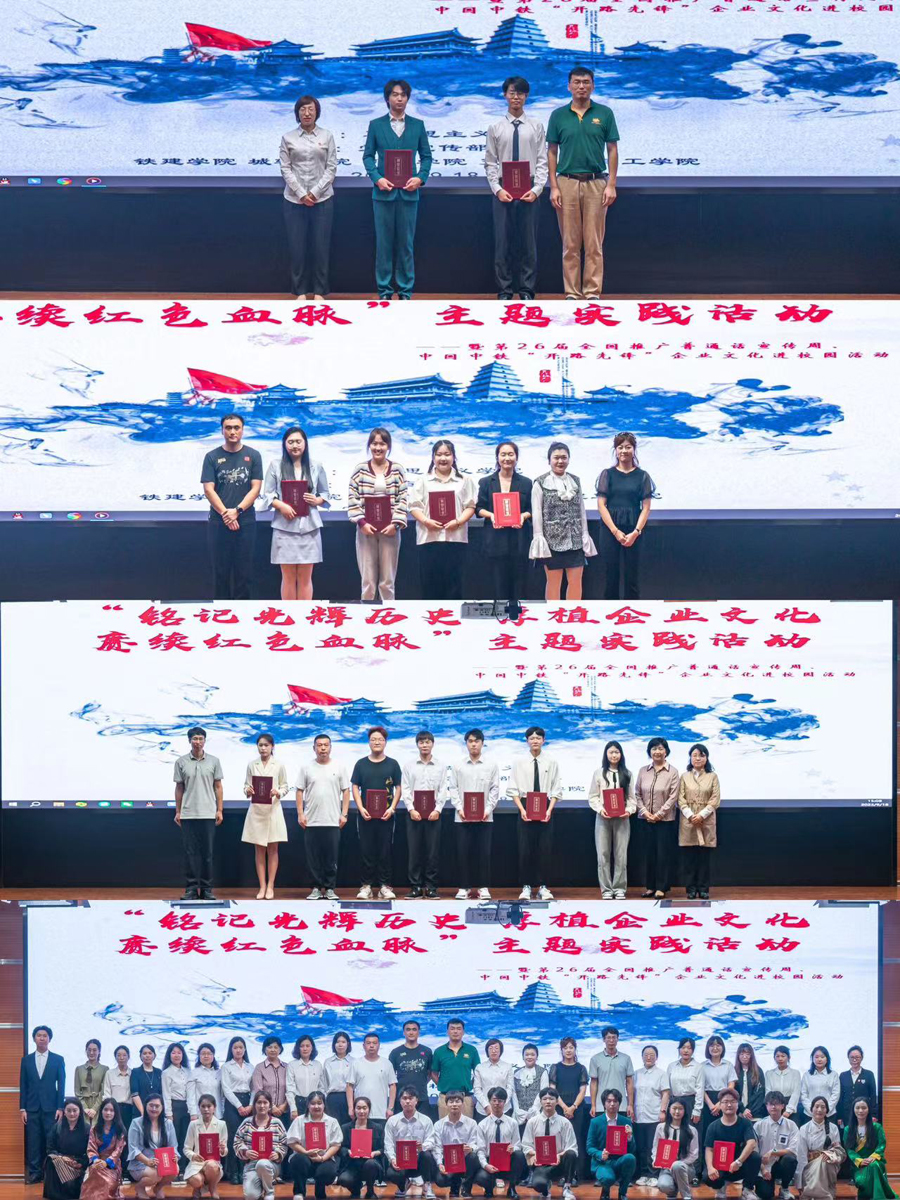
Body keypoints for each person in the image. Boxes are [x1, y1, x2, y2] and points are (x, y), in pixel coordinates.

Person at [547, 65, 619, 300]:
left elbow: (612, 149)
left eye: (586, 82)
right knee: (570, 243)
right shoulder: (558, 115)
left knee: (594, 242)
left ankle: (592, 291)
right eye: (577, 82)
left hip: (596, 183)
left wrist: (611, 184)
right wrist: (554, 186)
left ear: (593, 86)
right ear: (569, 86)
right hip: (566, 183)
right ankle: (572, 292)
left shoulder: (604, 113)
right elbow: (552, 151)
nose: (581, 86)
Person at [363, 79, 433, 299]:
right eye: (395, 94)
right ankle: (384, 290)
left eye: (403, 95)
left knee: (406, 245)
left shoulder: (418, 125)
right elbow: (367, 157)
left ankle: (405, 291)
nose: (399, 98)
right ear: (387, 98)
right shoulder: (376, 125)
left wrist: (420, 178)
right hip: (382, 194)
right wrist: (377, 179)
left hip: (409, 194)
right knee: (383, 245)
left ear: (408, 98)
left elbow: (427, 157)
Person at [484, 76, 548, 300]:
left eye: (520, 93)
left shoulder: (536, 126)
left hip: (529, 187)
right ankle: (505, 289)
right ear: (505, 95)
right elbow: (490, 162)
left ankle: (526, 289)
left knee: (528, 243)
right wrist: (497, 189)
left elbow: (542, 160)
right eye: (512, 92)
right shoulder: (495, 127)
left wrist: (537, 188)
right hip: (504, 189)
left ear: (526, 96)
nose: (516, 97)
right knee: (503, 242)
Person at [263, 425, 330, 601]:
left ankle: (304, 614)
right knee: (288, 577)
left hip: (310, 528)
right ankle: (290, 614)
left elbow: (325, 494)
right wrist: (281, 505)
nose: (295, 445)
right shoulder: (275, 465)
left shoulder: (316, 466)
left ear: (305, 443)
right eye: (291, 442)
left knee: (305, 577)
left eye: (298, 441)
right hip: (284, 528)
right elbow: (268, 494)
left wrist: (317, 500)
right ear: (284, 444)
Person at [200, 413, 263, 600]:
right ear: (222, 431)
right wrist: (226, 514)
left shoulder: (253, 455)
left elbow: (256, 488)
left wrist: (237, 511)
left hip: (246, 521)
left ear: (242, 430)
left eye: (236, 428)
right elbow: (208, 489)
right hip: (219, 522)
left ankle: (242, 613)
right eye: (228, 428)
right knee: (220, 573)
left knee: (244, 573)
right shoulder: (211, 457)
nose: (232, 432)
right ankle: (222, 612)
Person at [279, 95, 337, 300]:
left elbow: (331, 168)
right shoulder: (288, 138)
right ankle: (300, 291)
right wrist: (302, 194)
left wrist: (315, 192)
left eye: (311, 109)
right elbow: (285, 169)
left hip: (323, 200)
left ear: (316, 112)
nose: (307, 113)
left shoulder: (327, 136)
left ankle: (320, 291)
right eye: (302, 109)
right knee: (297, 248)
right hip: (294, 201)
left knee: (321, 247)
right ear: (297, 113)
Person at [409, 439, 478, 600]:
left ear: (453, 457)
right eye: (439, 454)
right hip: (429, 538)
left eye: (447, 454)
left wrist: (458, 522)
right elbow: (414, 506)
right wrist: (426, 521)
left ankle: (453, 615)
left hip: (456, 538)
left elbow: (470, 506)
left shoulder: (464, 480)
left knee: (454, 585)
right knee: (430, 585)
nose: (443, 458)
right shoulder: (422, 480)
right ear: (433, 457)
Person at [348, 427, 409, 605]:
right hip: (366, 531)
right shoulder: (360, 469)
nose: (378, 447)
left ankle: (388, 613)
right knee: (368, 580)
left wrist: (395, 524)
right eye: (374, 444)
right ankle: (366, 614)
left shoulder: (397, 469)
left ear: (388, 446)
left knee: (387, 581)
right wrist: (362, 523)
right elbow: (352, 497)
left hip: (390, 530)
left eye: (382, 444)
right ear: (369, 445)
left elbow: (403, 497)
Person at [529, 441, 597, 600]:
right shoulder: (540, 483)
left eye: (564, 457)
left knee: (576, 581)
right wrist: (539, 538)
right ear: (549, 460)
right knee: (554, 582)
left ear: (569, 459)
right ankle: (554, 612)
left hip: (575, 540)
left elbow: (581, 510)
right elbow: (537, 513)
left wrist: (584, 534)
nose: (560, 461)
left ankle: (572, 612)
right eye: (556, 457)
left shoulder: (575, 481)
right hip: (552, 541)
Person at [475, 441, 533, 618]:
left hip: (519, 538)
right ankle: (501, 618)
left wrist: (523, 516)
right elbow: (479, 509)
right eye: (503, 454)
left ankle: (518, 618)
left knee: (519, 581)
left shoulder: (526, 483)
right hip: (495, 539)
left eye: (510, 454)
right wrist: (492, 515)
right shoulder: (486, 482)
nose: (507, 458)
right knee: (499, 582)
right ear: (497, 457)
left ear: (516, 457)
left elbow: (532, 509)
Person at [595, 433, 654, 600]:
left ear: (634, 450)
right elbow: (601, 505)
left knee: (632, 576)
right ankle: (611, 611)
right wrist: (615, 531)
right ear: (615, 450)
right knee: (611, 575)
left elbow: (646, 507)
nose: (624, 451)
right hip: (610, 529)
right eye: (620, 447)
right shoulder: (607, 474)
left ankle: (632, 611)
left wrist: (636, 532)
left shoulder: (643, 476)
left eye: (628, 447)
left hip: (634, 529)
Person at [508, 726, 561, 902]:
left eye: (538, 738)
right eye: (531, 738)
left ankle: (543, 886)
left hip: (545, 806)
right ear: (527, 741)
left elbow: (556, 788)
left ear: (543, 740)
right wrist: (522, 809)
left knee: (545, 848)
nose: (535, 741)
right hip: (525, 806)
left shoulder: (551, 762)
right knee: (525, 849)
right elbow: (513, 789)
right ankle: (526, 886)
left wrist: (549, 810)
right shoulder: (519, 762)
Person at [296, 733, 350, 901]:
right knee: (313, 858)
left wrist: (344, 814)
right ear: (314, 748)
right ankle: (315, 888)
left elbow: (346, 791)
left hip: (333, 820)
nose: (323, 748)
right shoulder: (306, 768)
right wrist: (300, 813)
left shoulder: (339, 767)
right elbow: (299, 790)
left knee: (331, 858)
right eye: (319, 745)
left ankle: (330, 888)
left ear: (330, 747)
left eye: (326, 745)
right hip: (311, 820)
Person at [173, 726, 223, 902]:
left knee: (207, 854)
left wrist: (219, 810)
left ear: (205, 741)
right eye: (195, 738)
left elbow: (218, 787)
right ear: (189, 741)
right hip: (188, 814)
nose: (198, 742)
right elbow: (179, 788)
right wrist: (178, 811)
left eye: (201, 738)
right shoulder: (181, 762)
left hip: (208, 813)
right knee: (190, 854)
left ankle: (207, 889)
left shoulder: (214, 761)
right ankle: (191, 889)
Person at [351, 726, 402, 901]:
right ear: (369, 742)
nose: (377, 742)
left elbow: (398, 788)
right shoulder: (361, 764)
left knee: (385, 851)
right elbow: (355, 787)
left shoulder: (393, 764)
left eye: (380, 739)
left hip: (386, 816)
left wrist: (392, 808)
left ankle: (384, 886)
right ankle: (366, 886)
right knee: (366, 851)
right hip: (365, 815)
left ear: (385, 742)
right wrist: (360, 807)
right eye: (373, 739)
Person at [449, 729, 500, 901]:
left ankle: (483, 887)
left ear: (482, 743)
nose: (473, 744)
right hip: (462, 817)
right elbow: (453, 788)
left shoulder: (491, 765)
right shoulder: (458, 765)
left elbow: (495, 789)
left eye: (477, 741)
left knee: (483, 853)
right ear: (466, 744)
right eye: (470, 741)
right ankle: (464, 887)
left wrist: (487, 809)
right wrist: (460, 808)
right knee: (463, 853)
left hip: (485, 817)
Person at [400, 731, 449, 900]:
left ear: (433, 744)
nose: (425, 745)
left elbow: (443, 789)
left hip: (434, 815)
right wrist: (411, 809)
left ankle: (431, 887)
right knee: (414, 852)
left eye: (428, 742)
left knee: (432, 852)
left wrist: (438, 809)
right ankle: (415, 887)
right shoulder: (409, 766)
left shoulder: (441, 766)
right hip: (414, 814)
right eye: (421, 742)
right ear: (417, 745)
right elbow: (405, 789)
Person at [242, 733, 290, 900]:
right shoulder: (252, 764)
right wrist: (248, 790)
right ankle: (262, 886)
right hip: (256, 810)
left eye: (266, 745)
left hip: (273, 810)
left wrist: (278, 792)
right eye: (260, 745)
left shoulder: (279, 765)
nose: (263, 748)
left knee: (273, 849)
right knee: (259, 850)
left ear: (272, 747)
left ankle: (270, 886)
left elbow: (285, 786)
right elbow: (246, 785)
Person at [589, 740, 636, 901]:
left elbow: (632, 798)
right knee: (603, 854)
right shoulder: (598, 773)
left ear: (621, 754)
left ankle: (619, 888)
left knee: (621, 854)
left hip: (622, 819)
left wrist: (628, 810)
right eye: (611, 752)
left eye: (617, 752)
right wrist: (600, 809)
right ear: (606, 754)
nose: (614, 755)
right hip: (603, 818)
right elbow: (593, 796)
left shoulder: (627, 774)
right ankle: (606, 889)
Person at [20, 1023, 66, 1184]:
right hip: (31, 1107)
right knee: (33, 1141)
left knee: (50, 1140)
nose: (42, 1038)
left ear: (49, 1039)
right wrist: (22, 1108)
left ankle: (50, 1174)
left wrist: (60, 1107)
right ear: (34, 1038)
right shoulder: (26, 1060)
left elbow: (61, 1085)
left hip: (51, 1107)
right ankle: (35, 1173)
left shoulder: (58, 1059)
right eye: (39, 1035)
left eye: (45, 1036)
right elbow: (23, 1085)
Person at [635, 737, 680, 899]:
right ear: (649, 752)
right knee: (649, 854)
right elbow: (637, 794)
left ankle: (662, 887)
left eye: (660, 748)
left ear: (666, 751)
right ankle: (650, 887)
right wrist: (645, 812)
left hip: (665, 821)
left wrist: (659, 814)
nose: (657, 752)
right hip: (645, 820)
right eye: (654, 749)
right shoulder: (643, 771)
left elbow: (673, 797)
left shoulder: (673, 772)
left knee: (663, 854)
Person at [701, 1087, 760, 1199]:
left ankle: (747, 1189)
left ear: (737, 1104)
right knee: (706, 1176)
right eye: (725, 1102)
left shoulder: (745, 1123)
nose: (729, 1105)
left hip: (738, 1166)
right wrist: (710, 1167)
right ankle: (720, 1187)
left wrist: (738, 1162)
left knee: (755, 1157)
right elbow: (709, 1149)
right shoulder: (713, 1126)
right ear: (720, 1105)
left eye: (733, 1101)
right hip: (720, 1166)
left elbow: (752, 1143)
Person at [678, 744, 720, 900]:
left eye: (701, 755)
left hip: (705, 820)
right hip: (688, 820)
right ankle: (690, 889)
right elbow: (680, 798)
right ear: (690, 757)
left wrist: (702, 815)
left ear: (706, 758)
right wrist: (690, 815)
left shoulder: (712, 776)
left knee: (704, 857)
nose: (698, 758)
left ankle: (703, 888)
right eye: (694, 755)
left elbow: (715, 799)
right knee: (689, 857)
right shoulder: (684, 776)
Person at [286, 1090, 343, 1200]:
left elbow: (336, 1144)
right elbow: (291, 1142)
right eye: (313, 1103)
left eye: (319, 1103)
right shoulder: (299, 1120)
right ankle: (299, 1192)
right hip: (304, 1156)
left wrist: (322, 1158)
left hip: (324, 1157)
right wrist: (306, 1152)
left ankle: (320, 1192)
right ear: (307, 1105)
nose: (316, 1106)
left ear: (324, 1104)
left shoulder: (332, 1121)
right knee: (298, 1160)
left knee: (328, 1171)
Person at [522, 1087, 578, 1200]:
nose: (548, 1101)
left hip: (559, 1162)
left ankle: (567, 1187)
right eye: (545, 1099)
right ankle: (545, 1188)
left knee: (571, 1154)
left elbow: (572, 1147)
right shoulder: (532, 1122)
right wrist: (535, 1154)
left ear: (557, 1102)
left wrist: (559, 1155)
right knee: (538, 1184)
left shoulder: (565, 1123)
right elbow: (526, 1145)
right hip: (541, 1164)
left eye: (551, 1099)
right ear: (540, 1101)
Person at [233, 1089, 287, 1200]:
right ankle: (260, 1185)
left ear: (270, 1105)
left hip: (271, 1164)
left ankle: (269, 1192)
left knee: (263, 1164)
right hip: (251, 1165)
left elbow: (284, 1142)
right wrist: (245, 1152)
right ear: (254, 1105)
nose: (262, 1106)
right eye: (259, 1102)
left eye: (265, 1102)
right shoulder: (247, 1122)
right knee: (251, 1196)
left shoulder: (277, 1123)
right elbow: (237, 1141)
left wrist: (278, 1153)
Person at [383, 1086, 438, 1193]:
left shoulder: (426, 1120)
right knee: (390, 1173)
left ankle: (427, 1184)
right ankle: (403, 1184)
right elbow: (388, 1144)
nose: (407, 1101)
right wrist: (393, 1159)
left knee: (426, 1155)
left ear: (416, 1100)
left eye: (410, 1098)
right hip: (401, 1161)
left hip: (419, 1161)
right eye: (404, 1098)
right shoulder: (392, 1121)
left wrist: (422, 1146)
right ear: (400, 1101)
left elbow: (432, 1141)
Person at [475, 1086, 527, 1198]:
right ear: (489, 1101)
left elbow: (518, 1145)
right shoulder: (482, 1125)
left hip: (507, 1160)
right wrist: (485, 1165)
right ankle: (488, 1188)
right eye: (494, 1100)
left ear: (505, 1102)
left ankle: (512, 1188)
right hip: (489, 1161)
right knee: (481, 1177)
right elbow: (480, 1150)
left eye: (500, 1101)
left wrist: (513, 1148)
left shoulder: (512, 1123)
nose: (497, 1103)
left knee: (519, 1155)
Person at [548, 1039, 589, 1179]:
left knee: (576, 1140)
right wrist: (565, 1107)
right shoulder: (555, 1067)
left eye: (571, 1047)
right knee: (560, 1141)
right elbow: (553, 1090)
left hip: (577, 1109)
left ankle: (575, 1174)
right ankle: (561, 1174)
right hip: (559, 1108)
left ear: (575, 1049)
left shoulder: (581, 1068)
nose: (568, 1050)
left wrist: (573, 1107)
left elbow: (583, 1091)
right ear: (561, 1050)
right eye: (565, 1048)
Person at [587, 1087, 636, 1200]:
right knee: (608, 1178)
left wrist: (629, 1137)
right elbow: (589, 1147)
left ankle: (622, 1193)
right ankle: (605, 1191)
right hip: (602, 1162)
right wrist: (600, 1154)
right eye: (609, 1101)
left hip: (619, 1160)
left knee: (630, 1158)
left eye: (615, 1101)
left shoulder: (626, 1122)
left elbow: (633, 1149)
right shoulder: (595, 1122)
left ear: (619, 1104)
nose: (612, 1104)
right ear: (604, 1104)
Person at [126, 1093, 178, 1200]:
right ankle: (140, 1187)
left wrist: (175, 1157)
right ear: (145, 1106)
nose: (154, 1109)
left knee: (175, 1169)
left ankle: (158, 1188)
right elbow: (133, 1149)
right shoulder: (136, 1123)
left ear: (162, 1107)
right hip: (141, 1163)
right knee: (156, 1173)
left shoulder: (168, 1124)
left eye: (157, 1106)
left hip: (161, 1161)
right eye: (151, 1105)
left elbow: (174, 1146)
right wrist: (148, 1161)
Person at [843, 1099, 896, 1200]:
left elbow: (881, 1144)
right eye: (857, 1108)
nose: (860, 1111)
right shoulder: (848, 1129)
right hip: (858, 1165)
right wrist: (860, 1161)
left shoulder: (877, 1127)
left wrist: (872, 1158)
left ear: (868, 1110)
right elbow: (849, 1149)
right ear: (853, 1110)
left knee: (873, 1166)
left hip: (876, 1161)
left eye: (864, 1108)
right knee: (864, 1178)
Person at [633, 1046, 670, 1187]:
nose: (649, 1057)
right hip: (639, 1116)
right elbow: (632, 1093)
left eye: (652, 1055)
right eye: (646, 1054)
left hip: (654, 1115)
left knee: (653, 1147)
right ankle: (643, 1174)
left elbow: (665, 1093)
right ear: (642, 1057)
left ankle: (653, 1174)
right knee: (641, 1147)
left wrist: (663, 1111)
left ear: (657, 1057)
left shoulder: (661, 1074)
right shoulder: (636, 1074)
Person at [433, 1090, 481, 1196]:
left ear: (462, 1104)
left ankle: (466, 1189)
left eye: (457, 1101)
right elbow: (437, 1147)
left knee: (473, 1156)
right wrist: (440, 1164)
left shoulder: (472, 1123)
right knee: (440, 1180)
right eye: (451, 1102)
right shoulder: (438, 1125)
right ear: (446, 1104)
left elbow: (476, 1144)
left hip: (466, 1160)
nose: (454, 1104)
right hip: (448, 1161)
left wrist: (471, 1148)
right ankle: (454, 1186)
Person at [796, 1097, 845, 1200]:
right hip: (810, 1167)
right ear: (811, 1109)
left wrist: (828, 1155)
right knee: (822, 1163)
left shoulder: (833, 1128)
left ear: (827, 1110)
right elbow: (801, 1156)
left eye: (823, 1107)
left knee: (825, 1162)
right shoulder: (804, 1129)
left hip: (829, 1165)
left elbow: (838, 1150)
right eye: (817, 1106)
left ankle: (815, 1194)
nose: (819, 1110)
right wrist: (799, 1183)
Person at [753, 1091, 799, 1200]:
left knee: (790, 1159)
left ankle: (784, 1188)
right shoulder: (758, 1125)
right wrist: (763, 1169)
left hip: (781, 1164)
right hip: (764, 1166)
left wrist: (772, 1152)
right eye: (770, 1104)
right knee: (765, 1195)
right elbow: (754, 1152)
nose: (773, 1107)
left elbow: (793, 1149)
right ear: (766, 1106)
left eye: (777, 1104)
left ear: (783, 1106)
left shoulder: (791, 1125)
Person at [336, 1096, 384, 1199]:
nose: (361, 1111)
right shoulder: (345, 1128)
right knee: (344, 1179)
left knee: (370, 1164)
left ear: (369, 1110)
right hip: (351, 1164)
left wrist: (374, 1153)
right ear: (354, 1110)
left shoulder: (377, 1128)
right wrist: (348, 1151)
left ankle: (370, 1191)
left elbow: (383, 1149)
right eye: (358, 1108)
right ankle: (355, 1189)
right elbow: (340, 1148)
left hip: (371, 1162)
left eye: (364, 1108)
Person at [222, 1037, 255, 1186]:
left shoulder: (250, 1066)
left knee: (247, 1138)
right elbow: (226, 1089)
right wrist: (239, 1106)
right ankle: (233, 1172)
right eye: (235, 1047)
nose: (238, 1050)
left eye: (241, 1047)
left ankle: (244, 1171)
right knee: (233, 1138)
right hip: (232, 1104)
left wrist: (251, 1105)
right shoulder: (226, 1066)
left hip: (248, 1102)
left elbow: (254, 1088)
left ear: (245, 1049)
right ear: (231, 1049)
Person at [432, 1022, 481, 1120]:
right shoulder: (439, 1051)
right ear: (447, 1031)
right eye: (452, 1028)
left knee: (467, 1128)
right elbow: (433, 1073)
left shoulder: (472, 1050)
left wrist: (469, 1085)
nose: (455, 1031)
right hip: (445, 1098)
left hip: (465, 1098)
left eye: (458, 1029)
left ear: (463, 1032)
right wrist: (443, 1085)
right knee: (444, 1128)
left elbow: (478, 1072)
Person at [183, 1092, 227, 1198]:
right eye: (203, 1106)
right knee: (197, 1180)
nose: (206, 1109)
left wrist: (222, 1149)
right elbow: (186, 1148)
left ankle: (212, 1187)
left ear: (214, 1108)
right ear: (199, 1108)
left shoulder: (221, 1124)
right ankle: (197, 1188)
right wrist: (193, 1155)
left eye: (209, 1106)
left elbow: (224, 1150)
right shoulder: (193, 1124)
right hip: (196, 1162)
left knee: (212, 1166)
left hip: (213, 1163)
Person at [346, 1034, 397, 1127]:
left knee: (379, 1136)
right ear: (363, 1046)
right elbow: (349, 1087)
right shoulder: (356, 1063)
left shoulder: (387, 1063)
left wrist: (390, 1108)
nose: (371, 1045)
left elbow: (392, 1086)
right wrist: (351, 1108)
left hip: (381, 1113)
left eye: (374, 1043)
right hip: (361, 1112)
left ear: (379, 1045)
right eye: (368, 1043)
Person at [653, 1098, 699, 1200]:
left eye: (680, 1109)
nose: (677, 1112)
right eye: (674, 1108)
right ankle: (672, 1193)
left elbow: (694, 1154)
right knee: (663, 1185)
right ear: (669, 1109)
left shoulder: (692, 1130)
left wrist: (677, 1164)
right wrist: (655, 1160)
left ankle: (687, 1196)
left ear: (685, 1111)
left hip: (686, 1168)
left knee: (677, 1165)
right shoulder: (660, 1127)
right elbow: (655, 1148)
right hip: (666, 1169)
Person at [43, 1098, 88, 1200]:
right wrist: (62, 1158)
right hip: (60, 1160)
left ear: (80, 1111)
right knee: (50, 1160)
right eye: (69, 1110)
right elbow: (50, 1148)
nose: (72, 1114)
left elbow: (90, 1151)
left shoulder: (87, 1129)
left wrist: (81, 1163)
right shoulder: (57, 1127)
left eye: (75, 1110)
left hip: (77, 1163)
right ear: (64, 1112)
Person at [81, 1099, 127, 1200]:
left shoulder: (120, 1130)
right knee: (91, 1179)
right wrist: (96, 1160)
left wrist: (106, 1163)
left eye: (111, 1110)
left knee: (107, 1183)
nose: (108, 1113)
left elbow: (118, 1150)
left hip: (112, 1165)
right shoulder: (94, 1129)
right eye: (105, 1109)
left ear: (116, 1113)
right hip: (97, 1163)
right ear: (101, 1111)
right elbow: (91, 1147)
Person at [389, 1022, 434, 1119]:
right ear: (404, 1032)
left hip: (422, 1097)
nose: (411, 1032)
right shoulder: (395, 1052)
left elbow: (430, 1073)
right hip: (401, 1099)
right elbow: (390, 1077)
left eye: (414, 1029)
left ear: (418, 1032)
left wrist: (421, 1082)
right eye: (408, 1029)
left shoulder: (427, 1051)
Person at [700, 1038, 735, 1162]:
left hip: (725, 1100)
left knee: (725, 1132)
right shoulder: (702, 1066)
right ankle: (706, 1166)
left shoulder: (728, 1065)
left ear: (723, 1047)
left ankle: (724, 1164)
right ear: (708, 1048)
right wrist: (711, 1105)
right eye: (712, 1045)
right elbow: (700, 1087)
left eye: (718, 1045)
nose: (715, 1048)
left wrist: (721, 1103)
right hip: (706, 1101)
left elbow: (731, 1085)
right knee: (707, 1133)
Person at [589, 1028, 634, 1122]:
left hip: (621, 1106)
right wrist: (593, 1105)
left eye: (614, 1037)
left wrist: (630, 1105)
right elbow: (593, 1083)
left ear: (618, 1039)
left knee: (621, 1131)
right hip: (601, 1106)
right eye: (608, 1038)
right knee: (602, 1131)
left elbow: (629, 1082)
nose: (611, 1040)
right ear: (603, 1039)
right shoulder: (595, 1059)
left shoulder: (626, 1058)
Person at [161, 1043, 190, 1176]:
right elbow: (166, 1094)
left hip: (187, 1107)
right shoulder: (166, 1073)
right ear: (169, 1055)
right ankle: (174, 1170)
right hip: (174, 1107)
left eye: (179, 1052)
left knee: (185, 1139)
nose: (176, 1055)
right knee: (174, 1139)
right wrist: (169, 1114)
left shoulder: (188, 1071)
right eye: (173, 1052)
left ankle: (184, 1169)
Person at [250, 1039, 290, 1131]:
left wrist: (284, 1105)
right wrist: (272, 1107)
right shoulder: (259, 1067)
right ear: (264, 1049)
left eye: (276, 1047)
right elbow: (258, 1091)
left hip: (284, 1111)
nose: (273, 1050)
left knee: (284, 1137)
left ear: (280, 1049)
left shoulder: (287, 1067)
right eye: (270, 1047)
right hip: (265, 1112)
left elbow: (291, 1088)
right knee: (266, 1138)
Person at [474, 1040, 517, 1120]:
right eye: (490, 1048)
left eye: (496, 1048)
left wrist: (502, 1103)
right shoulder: (479, 1067)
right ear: (487, 1051)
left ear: (501, 1051)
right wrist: (486, 1106)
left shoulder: (508, 1067)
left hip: (504, 1109)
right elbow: (477, 1089)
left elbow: (510, 1088)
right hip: (484, 1110)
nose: (494, 1051)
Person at [838, 1047, 879, 1129]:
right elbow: (840, 1097)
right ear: (848, 1058)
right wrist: (839, 1116)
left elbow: (873, 1096)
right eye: (852, 1057)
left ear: (862, 1058)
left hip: (863, 1112)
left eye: (857, 1057)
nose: (854, 1059)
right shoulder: (843, 1075)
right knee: (848, 1134)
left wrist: (874, 1115)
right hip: (847, 1114)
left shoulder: (869, 1074)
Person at [666, 1040, 703, 1131]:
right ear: (679, 1049)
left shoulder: (698, 1067)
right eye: (683, 1047)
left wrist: (697, 1110)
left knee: (690, 1132)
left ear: (693, 1051)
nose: (686, 1050)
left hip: (690, 1103)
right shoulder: (671, 1066)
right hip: (674, 1102)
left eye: (689, 1048)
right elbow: (667, 1088)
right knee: (673, 1131)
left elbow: (700, 1089)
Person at [288, 1037, 326, 1120]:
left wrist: (321, 1104)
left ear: (312, 1048)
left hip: (315, 1103)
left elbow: (321, 1088)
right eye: (302, 1046)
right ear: (298, 1048)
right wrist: (293, 1108)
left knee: (314, 1127)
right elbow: (290, 1088)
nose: (305, 1049)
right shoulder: (292, 1065)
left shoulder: (318, 1065)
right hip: (298, 1103)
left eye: (307, 1046)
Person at [513, 1046, 549, 1130]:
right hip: (519, 1115)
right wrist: (517, 1110)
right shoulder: (516, 1072)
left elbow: (543, 1092)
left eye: (532, 1054)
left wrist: (533, 1110)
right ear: (523, 1057)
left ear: (537, 1056)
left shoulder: (542, 1072)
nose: (529, 1057)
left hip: (537, 1113)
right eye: (527, 1055)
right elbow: (513, 1093)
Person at [324, 1033, 355, 1127]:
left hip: (349, 1098)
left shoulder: (354, 1062)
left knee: (348, 1126)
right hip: (332, 1098)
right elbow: (325, 1083)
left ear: (348, 1044)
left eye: (343, 1042)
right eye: (337, 1042)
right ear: (334, 1044)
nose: (340, 1044)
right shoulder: (328, 1062)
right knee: (332, 1126)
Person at [800, 1049, 840, 1123]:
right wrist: (812, 1110)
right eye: (816, 1057)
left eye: (822, 1057)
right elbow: (803, 1095)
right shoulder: (806, 1075)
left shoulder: (833, 1075)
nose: (819, 1059)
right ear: (812, 1059)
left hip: (829, 1114)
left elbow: (835, 1095)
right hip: (809, 1114)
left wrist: (826, 1110)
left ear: (827, 1059)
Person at [73, 1041, 107, 1126]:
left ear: (99, 1051)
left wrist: (95, 1108)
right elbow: (77, 1091)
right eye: (89, 1050)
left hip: (98, 1105)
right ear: (86, 1051)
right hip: (83, 1106)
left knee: (97, 1129)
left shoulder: (105, 1069)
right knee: (84, 1129)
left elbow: (103, 1090)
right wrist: (85, 1108)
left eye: (94, 1050)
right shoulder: (79, 1069)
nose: (91, 1053)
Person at [102, 1047, 134, 1134]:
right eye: (118, 1055)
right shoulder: (109, 1073)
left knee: (128, 1134)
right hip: (114, 1108)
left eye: (124, 1055)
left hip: (130, 1109)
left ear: (128, 1057)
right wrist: (109, 1109)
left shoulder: (133, 1073)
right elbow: (107, 1092)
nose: (121, 1058)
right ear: (115, 1057)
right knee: (115, 1134)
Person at [765, 1048, 801, 1124]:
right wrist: (774, 1108)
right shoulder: (769, 1073)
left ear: (788, 1057)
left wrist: (788, 1110)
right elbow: (768, 1093)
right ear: (774, 1058)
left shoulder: (795, 1073)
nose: (780, 1059)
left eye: (783, 1056)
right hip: (774, 1107)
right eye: (777, 1056)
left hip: (790, 1108)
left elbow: (796, 1093)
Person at [189, 1045, 223, 1120]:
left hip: (217, 1114)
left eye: (209, 1053)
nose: (206, 1056)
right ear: (199, 1056)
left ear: (213, 1056)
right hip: (200, 1114)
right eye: (203, 1053)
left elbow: (222, 1095)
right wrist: (193, 1113)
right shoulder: (193, 1073)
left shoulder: (219, 1073)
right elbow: (190, 1096)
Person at [734, 1045, 766, 1121]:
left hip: (755, 1114)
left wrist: (749, 1111)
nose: (744, 1057)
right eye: (742, 1054)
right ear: (738, 1055)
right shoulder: (733, 1071)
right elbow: (732, 1093)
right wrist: (742, 1109)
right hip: (737, 1113)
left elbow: (759, 1094)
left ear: (751, 1056)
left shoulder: (758, 1071)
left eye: (747, 1054)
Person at [130, 1047, 162, 1118]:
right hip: (140, 1113)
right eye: (144, 1053)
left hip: (157, 1112)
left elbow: (161, 1094)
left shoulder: (159, 1072)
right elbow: (135, 1094)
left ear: (154, 1055)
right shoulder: (135, 1072)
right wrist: (143, 1113)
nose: (147, 1055)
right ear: (140, 1056)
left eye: (150, 1053)